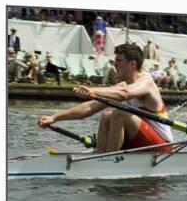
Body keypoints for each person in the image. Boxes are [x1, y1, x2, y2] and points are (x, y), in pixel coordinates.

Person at [38, 43, 173, 153]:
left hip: (161, 146)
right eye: (115, 61)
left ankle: (108, 159)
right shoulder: (121, 86)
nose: (115, 65)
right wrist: (54, 117)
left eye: (119, 61)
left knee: (119, 113)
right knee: (107, 113)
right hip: (141, 142)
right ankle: (102, 155)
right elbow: (90, 107)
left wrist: (92, 90)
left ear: (132, 64)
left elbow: (124, 94)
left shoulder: (146, 82)